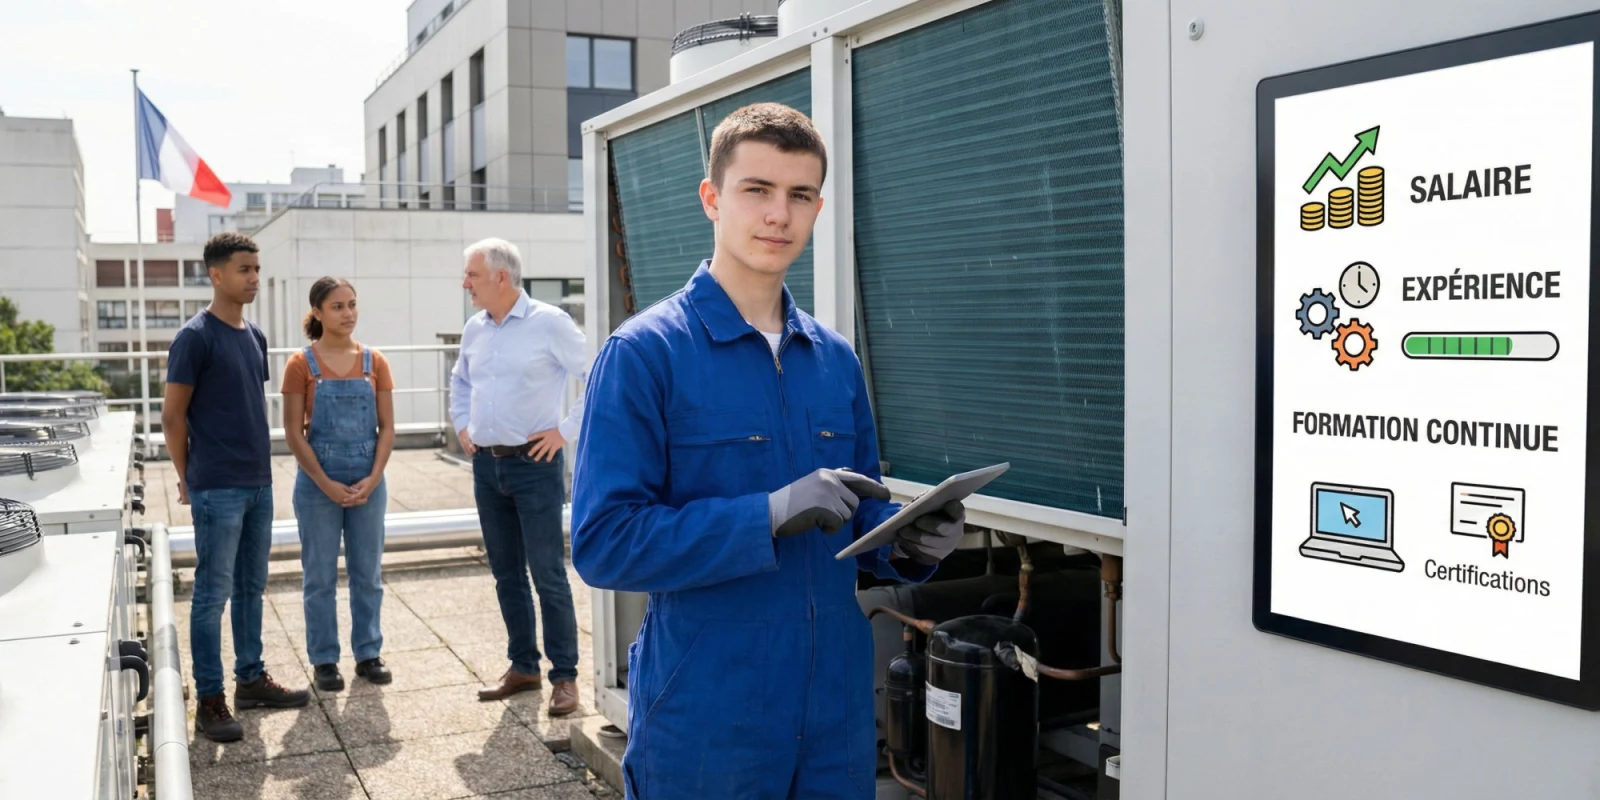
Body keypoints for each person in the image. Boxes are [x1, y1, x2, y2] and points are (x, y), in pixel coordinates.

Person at [571, 103, 967, 799]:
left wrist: (907, 543)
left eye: (800, 195)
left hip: (836, 713)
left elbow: (856, 518)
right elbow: (604, 544)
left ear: (818, 208)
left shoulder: (835, 360)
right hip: (707, 712)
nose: (779, 215)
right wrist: (767, 514)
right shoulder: (645, 354)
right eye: (757, 189)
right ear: (711, 198)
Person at [163, 232, 310, 744]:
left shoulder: (255, 336)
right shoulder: (194, 337)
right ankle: (210, 700)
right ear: (217, 274)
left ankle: (250, 679)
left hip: (258, 482)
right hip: (217, 486)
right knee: (211, 595)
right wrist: (188, 476)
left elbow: (244, 404)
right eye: (244, 269)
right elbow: (172, 416)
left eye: (256, 269)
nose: (254, 278)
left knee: (252, 587)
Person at [451, 237, 588, 716]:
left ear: (501, 277)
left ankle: (565, 677)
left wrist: (565, 432)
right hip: (486, 467)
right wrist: (462, 424)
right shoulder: (474, 328)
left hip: (535, 466)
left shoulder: (550, 323)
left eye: (472, 275)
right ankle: (523, 666)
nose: (465, 283)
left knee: (548, 574)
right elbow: (460, 381)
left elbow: (598, 375)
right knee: (505, 573)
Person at [281, 277, 396, 692]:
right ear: (318, 312)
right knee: (319, 576)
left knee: (368, 573)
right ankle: (324, 660)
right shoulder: (300, 364)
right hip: (318, 483)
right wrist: (325, 483)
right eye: (337, 307)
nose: (348, 314)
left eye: (352, 304)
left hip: (368, 478)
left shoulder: (374, 361)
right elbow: (293, 433)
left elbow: (387, 428)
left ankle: (368, 653)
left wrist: (374, 478)